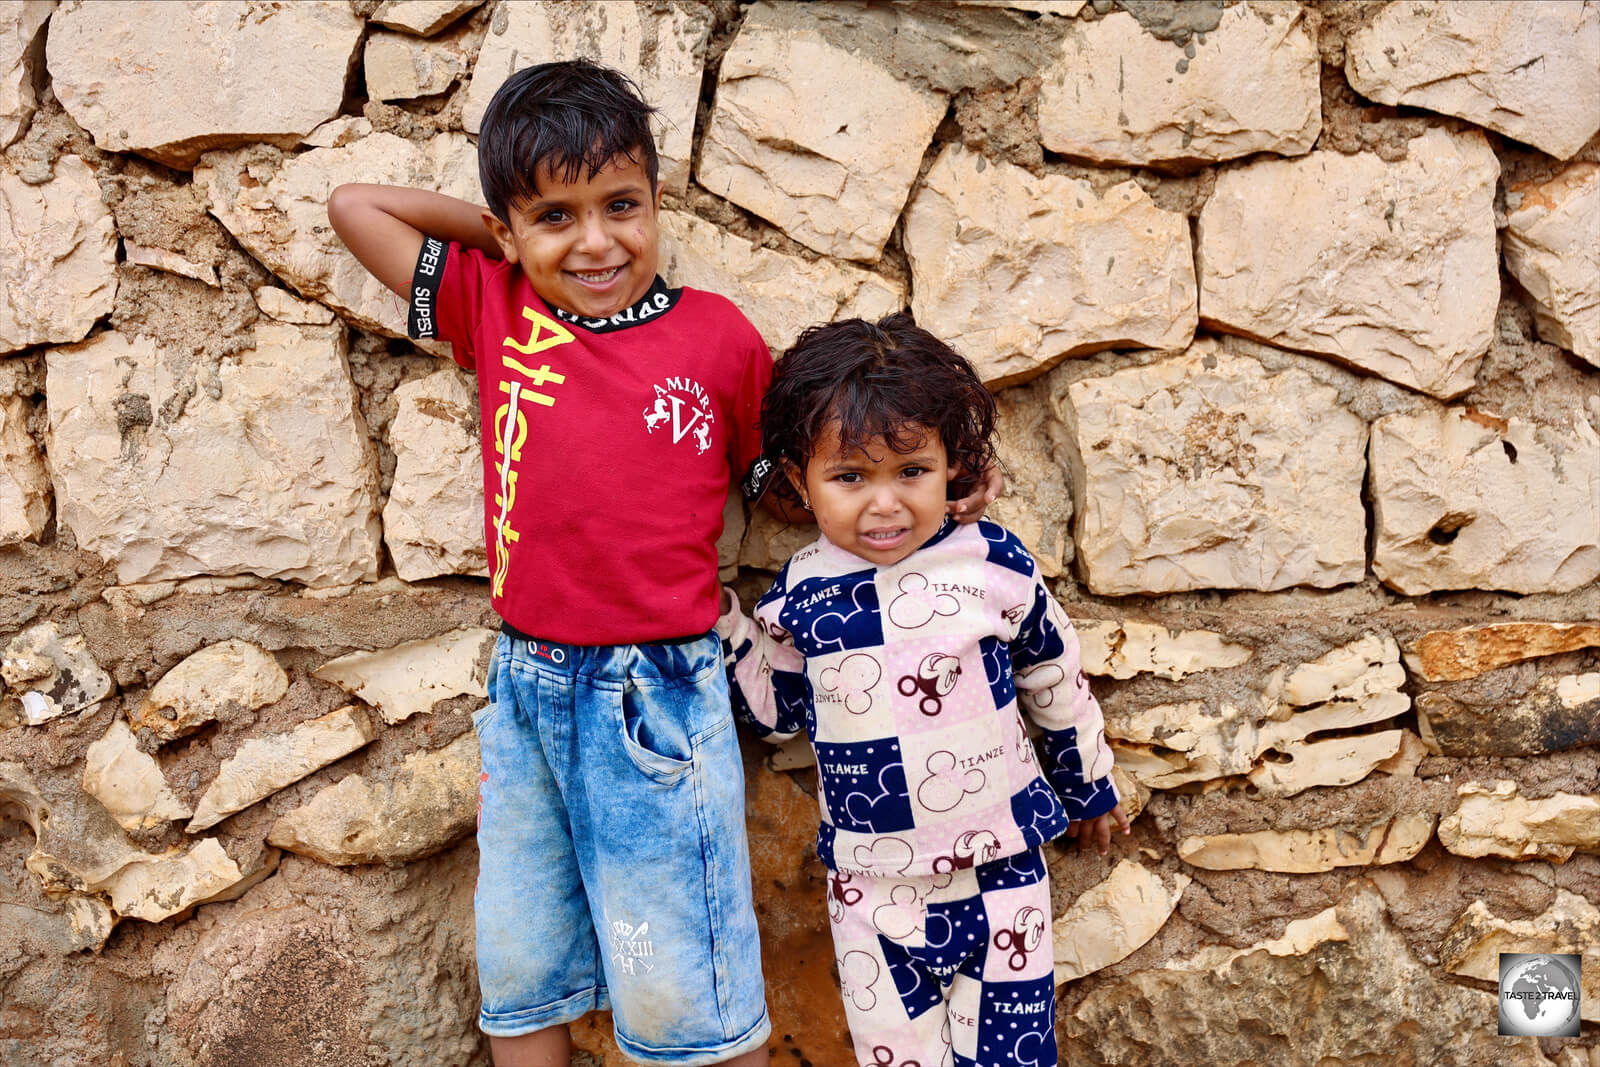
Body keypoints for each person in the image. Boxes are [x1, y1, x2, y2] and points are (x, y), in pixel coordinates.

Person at [326, 61, 998, 1067]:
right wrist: (502, 233)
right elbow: (356, 205)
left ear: (656, 200)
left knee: (688, 983)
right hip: (527, 690)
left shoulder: (718, 339)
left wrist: (921, 503)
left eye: (621, 205)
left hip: (660, 693)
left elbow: (770, 476)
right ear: (510, 231)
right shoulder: (494, 305)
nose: (596, 240)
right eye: (557, 215)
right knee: (520, 966)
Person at [716, 314, 1129, 1067]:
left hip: (1000, 879)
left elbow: (1052, 672)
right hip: (872, 897)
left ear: (952, 464)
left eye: (912, 471)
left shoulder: (990, 562)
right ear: (798, 480)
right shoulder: (802, 592)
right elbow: (777, 713)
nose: (884, 504)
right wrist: (720, 621)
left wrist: (1089, 784)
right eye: (849, 477)